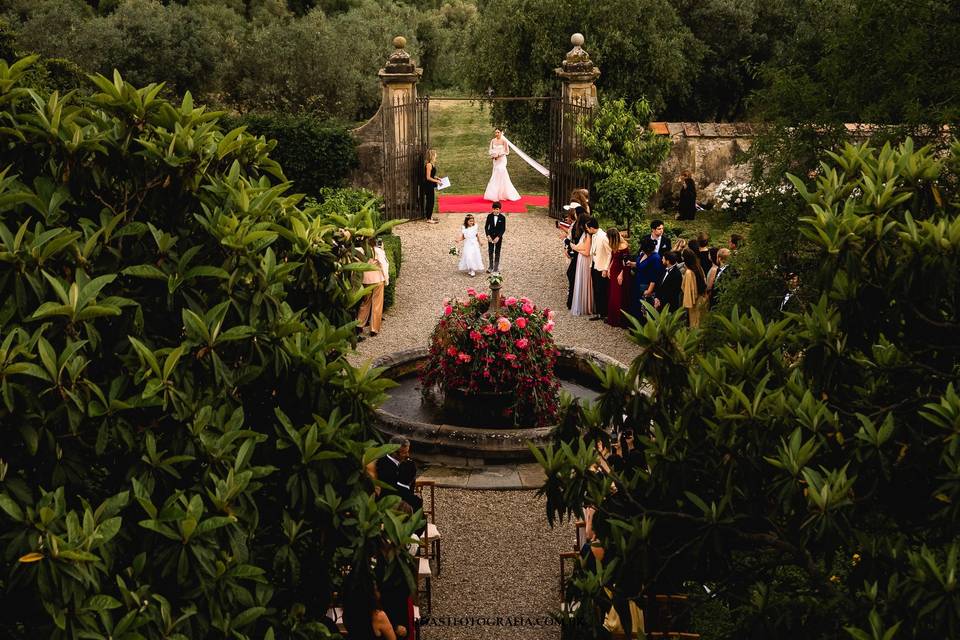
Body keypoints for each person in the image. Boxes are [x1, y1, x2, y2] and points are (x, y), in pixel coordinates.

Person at [375, 436, 423, 516]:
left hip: (404, 495)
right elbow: (391, 489)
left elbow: (411, 481)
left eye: (408, 451)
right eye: (404, 453)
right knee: (415, 504)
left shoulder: (409, 463)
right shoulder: (383, 464)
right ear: (394, 452)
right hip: (391, 500)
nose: (408, 455)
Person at [357, 239, 389, 338]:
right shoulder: (378, 251)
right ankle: (374, 329)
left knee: (365, 302)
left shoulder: (360, 251)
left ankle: (359, 324)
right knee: (377, 304)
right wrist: (386, 279)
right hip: (378, 279)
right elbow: (384, 266)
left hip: (366, 280)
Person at [483, 129, 521, 202]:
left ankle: (505, 193)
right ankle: (497, 194)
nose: (496, 133)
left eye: (498, 132)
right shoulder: (492, 141)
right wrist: (493, 155)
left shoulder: (504, 141)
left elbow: (507, 152)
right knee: (497, 174)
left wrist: (499, 154)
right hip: (495, 160)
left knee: (500, 170)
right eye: (495, 132)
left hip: (502, 160)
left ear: (501, 133)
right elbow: (490, 150)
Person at [630, 237, 663, 319]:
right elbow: (640, 265)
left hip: (646, 285)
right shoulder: (642, 254)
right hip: (637, 282)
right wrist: (631, 263)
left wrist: (649, 290)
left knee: (644, 307)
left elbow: (654, 275)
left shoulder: (655, 258)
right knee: (635, 304)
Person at [605, 228, 631, 327]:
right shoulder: (614, 246)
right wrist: (608, 268)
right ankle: (613, 318)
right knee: (613, 295)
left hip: (620, 272)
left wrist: (621, 274)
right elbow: (613, 258)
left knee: (619, 296)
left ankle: (619, 319)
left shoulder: (624, 247)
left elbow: (626, 263)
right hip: (613, 271)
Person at [569, 214, 594, 316]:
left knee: (584, 280)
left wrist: (575, 248)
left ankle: (585, 305)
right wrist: (576, 247)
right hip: (581, 259)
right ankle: (581, 302)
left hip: (585, 260)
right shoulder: (585, 234)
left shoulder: (588, 235)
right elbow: (580, 246)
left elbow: (587, 252)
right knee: (580, 280)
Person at [563, 203, 585, 309]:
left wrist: (571, 245)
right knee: (571, 274)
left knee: (572, 274)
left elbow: (578, 241)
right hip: (575, 251)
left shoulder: (581, 226)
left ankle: (573, 300)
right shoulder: (577, 224)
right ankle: (571, 299)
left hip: (579, 253)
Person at [588, 219, 610, 321]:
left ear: (592, 228)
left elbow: (609, 253)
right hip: (594, 265)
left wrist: (606, 269)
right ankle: (599, 312)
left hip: (601, 267)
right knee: (596, 290)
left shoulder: (604, 236)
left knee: (602, 291)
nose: (587, 230)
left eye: (588, 228)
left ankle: (604, 312)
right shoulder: (594, 235)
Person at [681, 248, 709, 328]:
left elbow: (688, 290)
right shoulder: (698, 267)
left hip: (694, 302)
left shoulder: (689, 272)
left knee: (695, 323)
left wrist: (686, 305)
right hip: (702, 299)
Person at [484, 201, 506, 274]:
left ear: (500, 209)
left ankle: (496, 268)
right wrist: (488, 236)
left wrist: (498, 237)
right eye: (494, 209)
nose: (496, 210)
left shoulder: (502, 217)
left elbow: (503, 229)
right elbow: (486, 227)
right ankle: (490, 267)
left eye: (497, 209)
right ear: (492, 209)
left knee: (497, 252)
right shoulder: (489, 216)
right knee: (490, 251)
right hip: (490, 237)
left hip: (498, 238)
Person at [423, 149, 443, 224]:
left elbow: (432, 175)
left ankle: (429, 216)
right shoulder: (429, 165)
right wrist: (437, 181)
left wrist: (437, 178)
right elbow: (428, 177)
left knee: (431, 201)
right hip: (428, 185)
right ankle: (428, 218)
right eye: (435, 154)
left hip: (430, 185)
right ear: (432, 156)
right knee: (430, 201)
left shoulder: (431, 164)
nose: (436, 156)